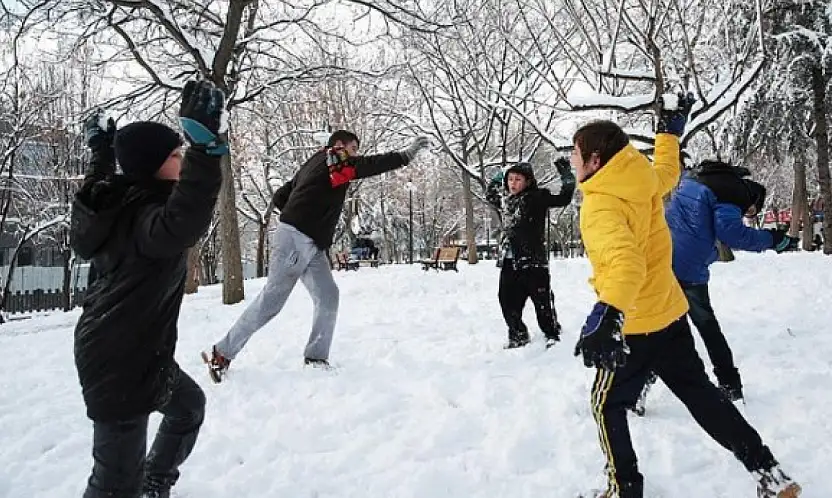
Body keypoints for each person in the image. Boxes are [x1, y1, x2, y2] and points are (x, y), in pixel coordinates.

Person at [571, 93, 801, 498]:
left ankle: (624, 488)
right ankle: (768, 471)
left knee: (606, 406)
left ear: (594, 160)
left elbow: (626, 264)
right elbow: (666, 171)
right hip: (671, 315)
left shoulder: (601, 205)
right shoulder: (641, 179)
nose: (572, 161)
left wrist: (609, 312)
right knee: (702, 395)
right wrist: (668, 133)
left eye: (575, 153)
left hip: (635, 324)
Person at [71, 80, 226, 498]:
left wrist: (101, 152)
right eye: (176, 156)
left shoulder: (114, 200)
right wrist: (207, 153)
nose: (181, 161)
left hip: (138, 354)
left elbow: (94, 184)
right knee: (113, 484)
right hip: (118, 362)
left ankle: (155, 483)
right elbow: (182, 221)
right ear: (155, 165)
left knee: (188, 408)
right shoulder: (146, 218)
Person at [203, 131, 429, 381]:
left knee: (328, 295)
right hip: (297, 238)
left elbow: (281, 195)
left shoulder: (316, 162)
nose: (355, 154)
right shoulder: (335, 158)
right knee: (272, 302)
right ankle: (222, 352)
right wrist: (406, 155)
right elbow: (370, 164)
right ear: (339, 145)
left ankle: (316, 357)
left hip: (310, 242)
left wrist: (303, 210)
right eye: (353, 148)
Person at [630, 162, 798, 411]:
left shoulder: (699, 177)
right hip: (687, 268)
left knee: (662, 327)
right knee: (707, 327)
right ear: (751, 201)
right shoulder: (734, 194)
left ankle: (640, 385)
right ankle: (731, 384)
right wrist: (774, 239)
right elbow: (734, 235)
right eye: (750, 212)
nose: (748, 214)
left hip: (661, 257)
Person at [485, 158, 575, 349]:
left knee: (541, 302)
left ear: (527, 181)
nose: (513, 183)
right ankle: (518, 335)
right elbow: (490, 194)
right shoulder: (506, 201)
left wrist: (566, 174)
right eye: (510, 179)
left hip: (533, 260)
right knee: (507, 300)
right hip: (510, 260)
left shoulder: (537, 197)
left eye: (518, 179)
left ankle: (551, 333)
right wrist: (500, 174)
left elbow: (564, 198)